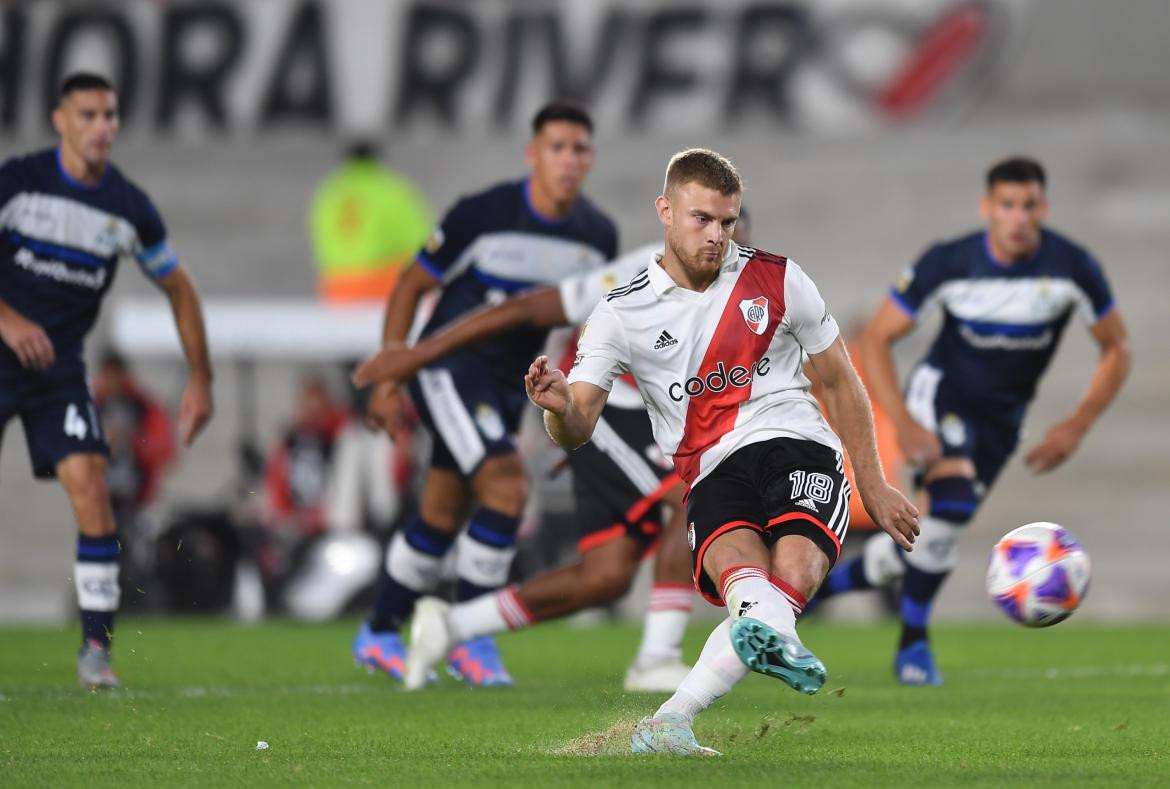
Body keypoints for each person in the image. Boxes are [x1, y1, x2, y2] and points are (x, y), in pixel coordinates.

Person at [522, 148, 919, 755]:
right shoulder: (621, 312)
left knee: (791, 574)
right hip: (708, 469)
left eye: (728, 222)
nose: (717, 236)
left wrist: (874, 484)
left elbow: (840, 381)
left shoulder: (780, 278)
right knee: (749, 591)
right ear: (665, 210)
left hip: (795, 444)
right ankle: (671, 720)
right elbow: (578, 426)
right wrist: (557, 409)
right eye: (702, 219)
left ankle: (765, 635)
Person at [354, 215, 751, 692]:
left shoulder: (743, 297)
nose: (721, 246)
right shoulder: (641, 271)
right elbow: (530, 309)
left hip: (652, 425)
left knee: (604, 578)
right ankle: (656, 659)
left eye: (731, 238)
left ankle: (453, 626)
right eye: (712, 232)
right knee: (693, 499)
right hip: (599, 408)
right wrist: (419, 355)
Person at [814, 156, 1130, 685]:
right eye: (1007, 205)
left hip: (1002, 423)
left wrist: (1076, 425)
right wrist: (904, 422)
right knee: (952, 501)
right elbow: (878, 338)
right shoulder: (949, 262)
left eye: (1029, 205)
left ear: (1043, 208)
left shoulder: (1072, 267)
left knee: (930, 537)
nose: (1019, 217)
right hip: (940, 397)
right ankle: (913, 646)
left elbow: (1116, 348)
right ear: (988, 208)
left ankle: (822, 591)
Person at [352, 102, 617, 686]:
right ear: (533, 154)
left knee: (442, 515)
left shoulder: (597, 237)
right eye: (558, 147)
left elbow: (586, 331)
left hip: (507, 383)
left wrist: (573, 411)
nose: (569, 160)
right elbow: (412, 282)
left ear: (591, 158)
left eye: (580, 149)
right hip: (448, 369)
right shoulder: (484, 214)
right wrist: (393, 373)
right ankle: (470, 640)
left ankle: (377, 631)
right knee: (506, 486)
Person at [0, 73, 214, 688]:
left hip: (57, 370)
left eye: (110, 115)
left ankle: (96, 653)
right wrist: (9, 319)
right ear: (59, 120)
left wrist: (200, 378)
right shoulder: (18, 183)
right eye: (88, 114)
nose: (102, 127)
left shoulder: (127, 207)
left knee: (93, 489)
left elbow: (178, 286)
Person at [308, 140, 433, 302]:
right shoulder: (391, 189)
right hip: (379, 284)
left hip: (335, 287)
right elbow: (421, 238)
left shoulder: (328, 192)